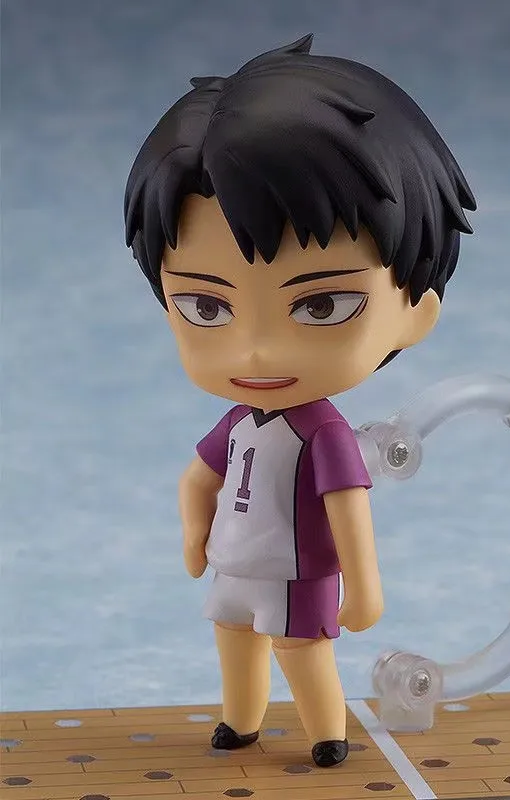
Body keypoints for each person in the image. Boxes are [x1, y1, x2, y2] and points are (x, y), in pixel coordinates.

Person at [124, 33, 476, 767]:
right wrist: (193, 533)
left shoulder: (326, 434)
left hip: (297, 572)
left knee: (301, 650)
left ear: (414, 312)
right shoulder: (235, 421)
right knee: (233, 640)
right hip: (234, 563)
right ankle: (240, 721)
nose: (255, 351)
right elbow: (198, 476)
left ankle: (326, 732)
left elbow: (349, 508)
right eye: (206, 308)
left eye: (320, 307)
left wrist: (364, 587)